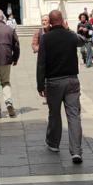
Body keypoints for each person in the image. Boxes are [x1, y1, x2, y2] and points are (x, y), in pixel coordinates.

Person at [37, 9, 84, 163]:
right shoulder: (71, 35)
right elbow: (83, 40)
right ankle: (76, 151)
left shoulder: (45, 39)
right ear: (63, 20)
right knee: (74, 115)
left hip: (53, 82)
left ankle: (53, 143)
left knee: (54, 113)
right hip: (72, 80)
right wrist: (68, 28)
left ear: (49, 22)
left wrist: (40, 85)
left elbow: (41, 63)